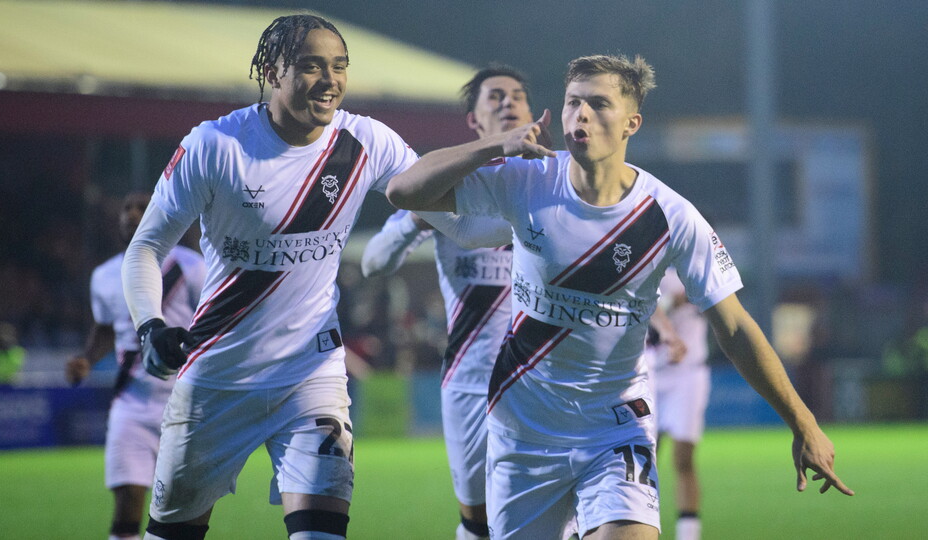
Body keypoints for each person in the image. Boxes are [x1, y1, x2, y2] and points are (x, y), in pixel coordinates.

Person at [386, 53, 853, 539]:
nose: (581, 115)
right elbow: (403, 191)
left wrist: (803, 422)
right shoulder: (526, 180)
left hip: (615, 427)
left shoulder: (671, 216)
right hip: (522, 429)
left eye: (598, 104)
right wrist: (491, 147)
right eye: (572, 103)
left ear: (632, 123)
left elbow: (734, 327)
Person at [121, 15, 419, 540]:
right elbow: (145, 247)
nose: (329, 80)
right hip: (217, 378)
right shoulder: (215, 145)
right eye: (310, 66)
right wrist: (149, 327)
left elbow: (447, 211)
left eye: (339, 66)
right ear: (269, 69)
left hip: (311, 377)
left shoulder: (366, 141)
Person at [361, 66, 533, 540]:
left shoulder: (555, 184)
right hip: (471, 380)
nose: (508, 102)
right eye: (495, 96)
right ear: (474, 121)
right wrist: (417, 221)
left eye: (517, 95)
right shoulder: (443, 191)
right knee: (475, 523)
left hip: (541, 377)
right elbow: (373, 262)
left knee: (554, 517)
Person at [65, 192, 205, 540]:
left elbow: (210, 325)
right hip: (131, 403)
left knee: (182, 510)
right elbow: (105, 330)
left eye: (141, 207)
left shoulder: (191, 266)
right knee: (128, 502)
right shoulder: (104, 275)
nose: (131, 213)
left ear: (159, 213)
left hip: (185, 404)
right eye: (125, 208)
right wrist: (86, 359)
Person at [644, 268, 707, 540]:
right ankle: (640, 526)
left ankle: (688, 535)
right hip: (648, 371)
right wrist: (670, 302)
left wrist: (685, 296)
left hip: (687, 372)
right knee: (642, 458)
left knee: (683, 457)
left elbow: (716, 300)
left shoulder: (694, 265)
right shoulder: (644, 261)